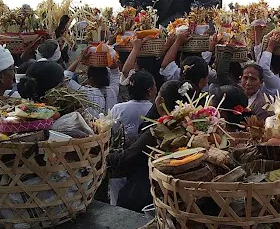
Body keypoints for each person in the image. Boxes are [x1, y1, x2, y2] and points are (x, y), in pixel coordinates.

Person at [107, 80, 195, 212]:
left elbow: (127, 158)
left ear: (160, 100)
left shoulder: (159, 133)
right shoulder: (194, 129)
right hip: (181, 198)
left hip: (149, 196)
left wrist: (100, 155)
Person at [65, 48, 121, 117]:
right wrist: (111, 58)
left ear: (90, 79)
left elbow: (65, 79)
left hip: (93, 127)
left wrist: (79, 59)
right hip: (113, 127)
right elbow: (115, 73)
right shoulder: (113, 90)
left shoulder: (86, 92)